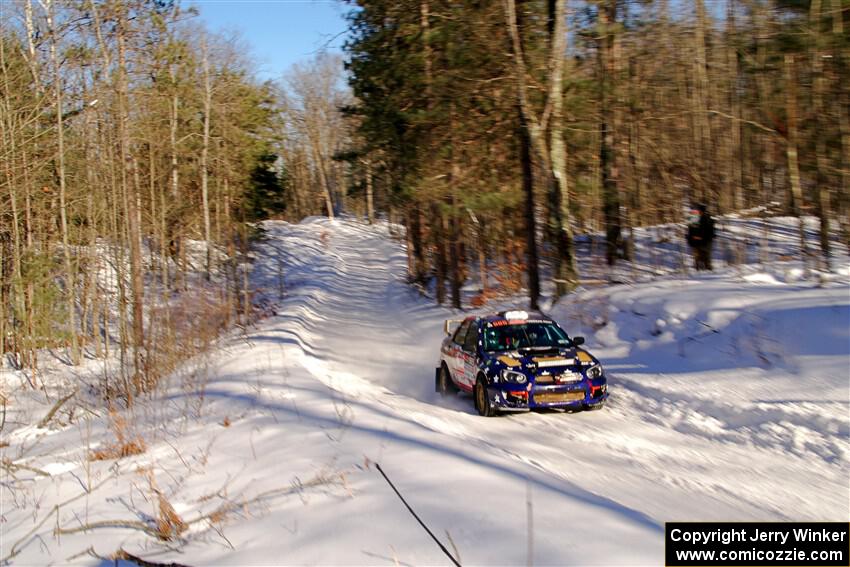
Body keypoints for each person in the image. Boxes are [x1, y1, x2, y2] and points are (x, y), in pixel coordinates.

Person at [686, 204, 715, 270]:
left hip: (705, 243)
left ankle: (708, 273)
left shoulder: (708, 219)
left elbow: (711, 232)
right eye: (698, 210)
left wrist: (702, 238)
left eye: (699, 210)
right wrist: (691, 239)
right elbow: (690, 230)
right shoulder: (694, 218)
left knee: (706, 260)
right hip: (696, 243)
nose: (698, 212)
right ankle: (698, 273)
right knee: (697, 261)